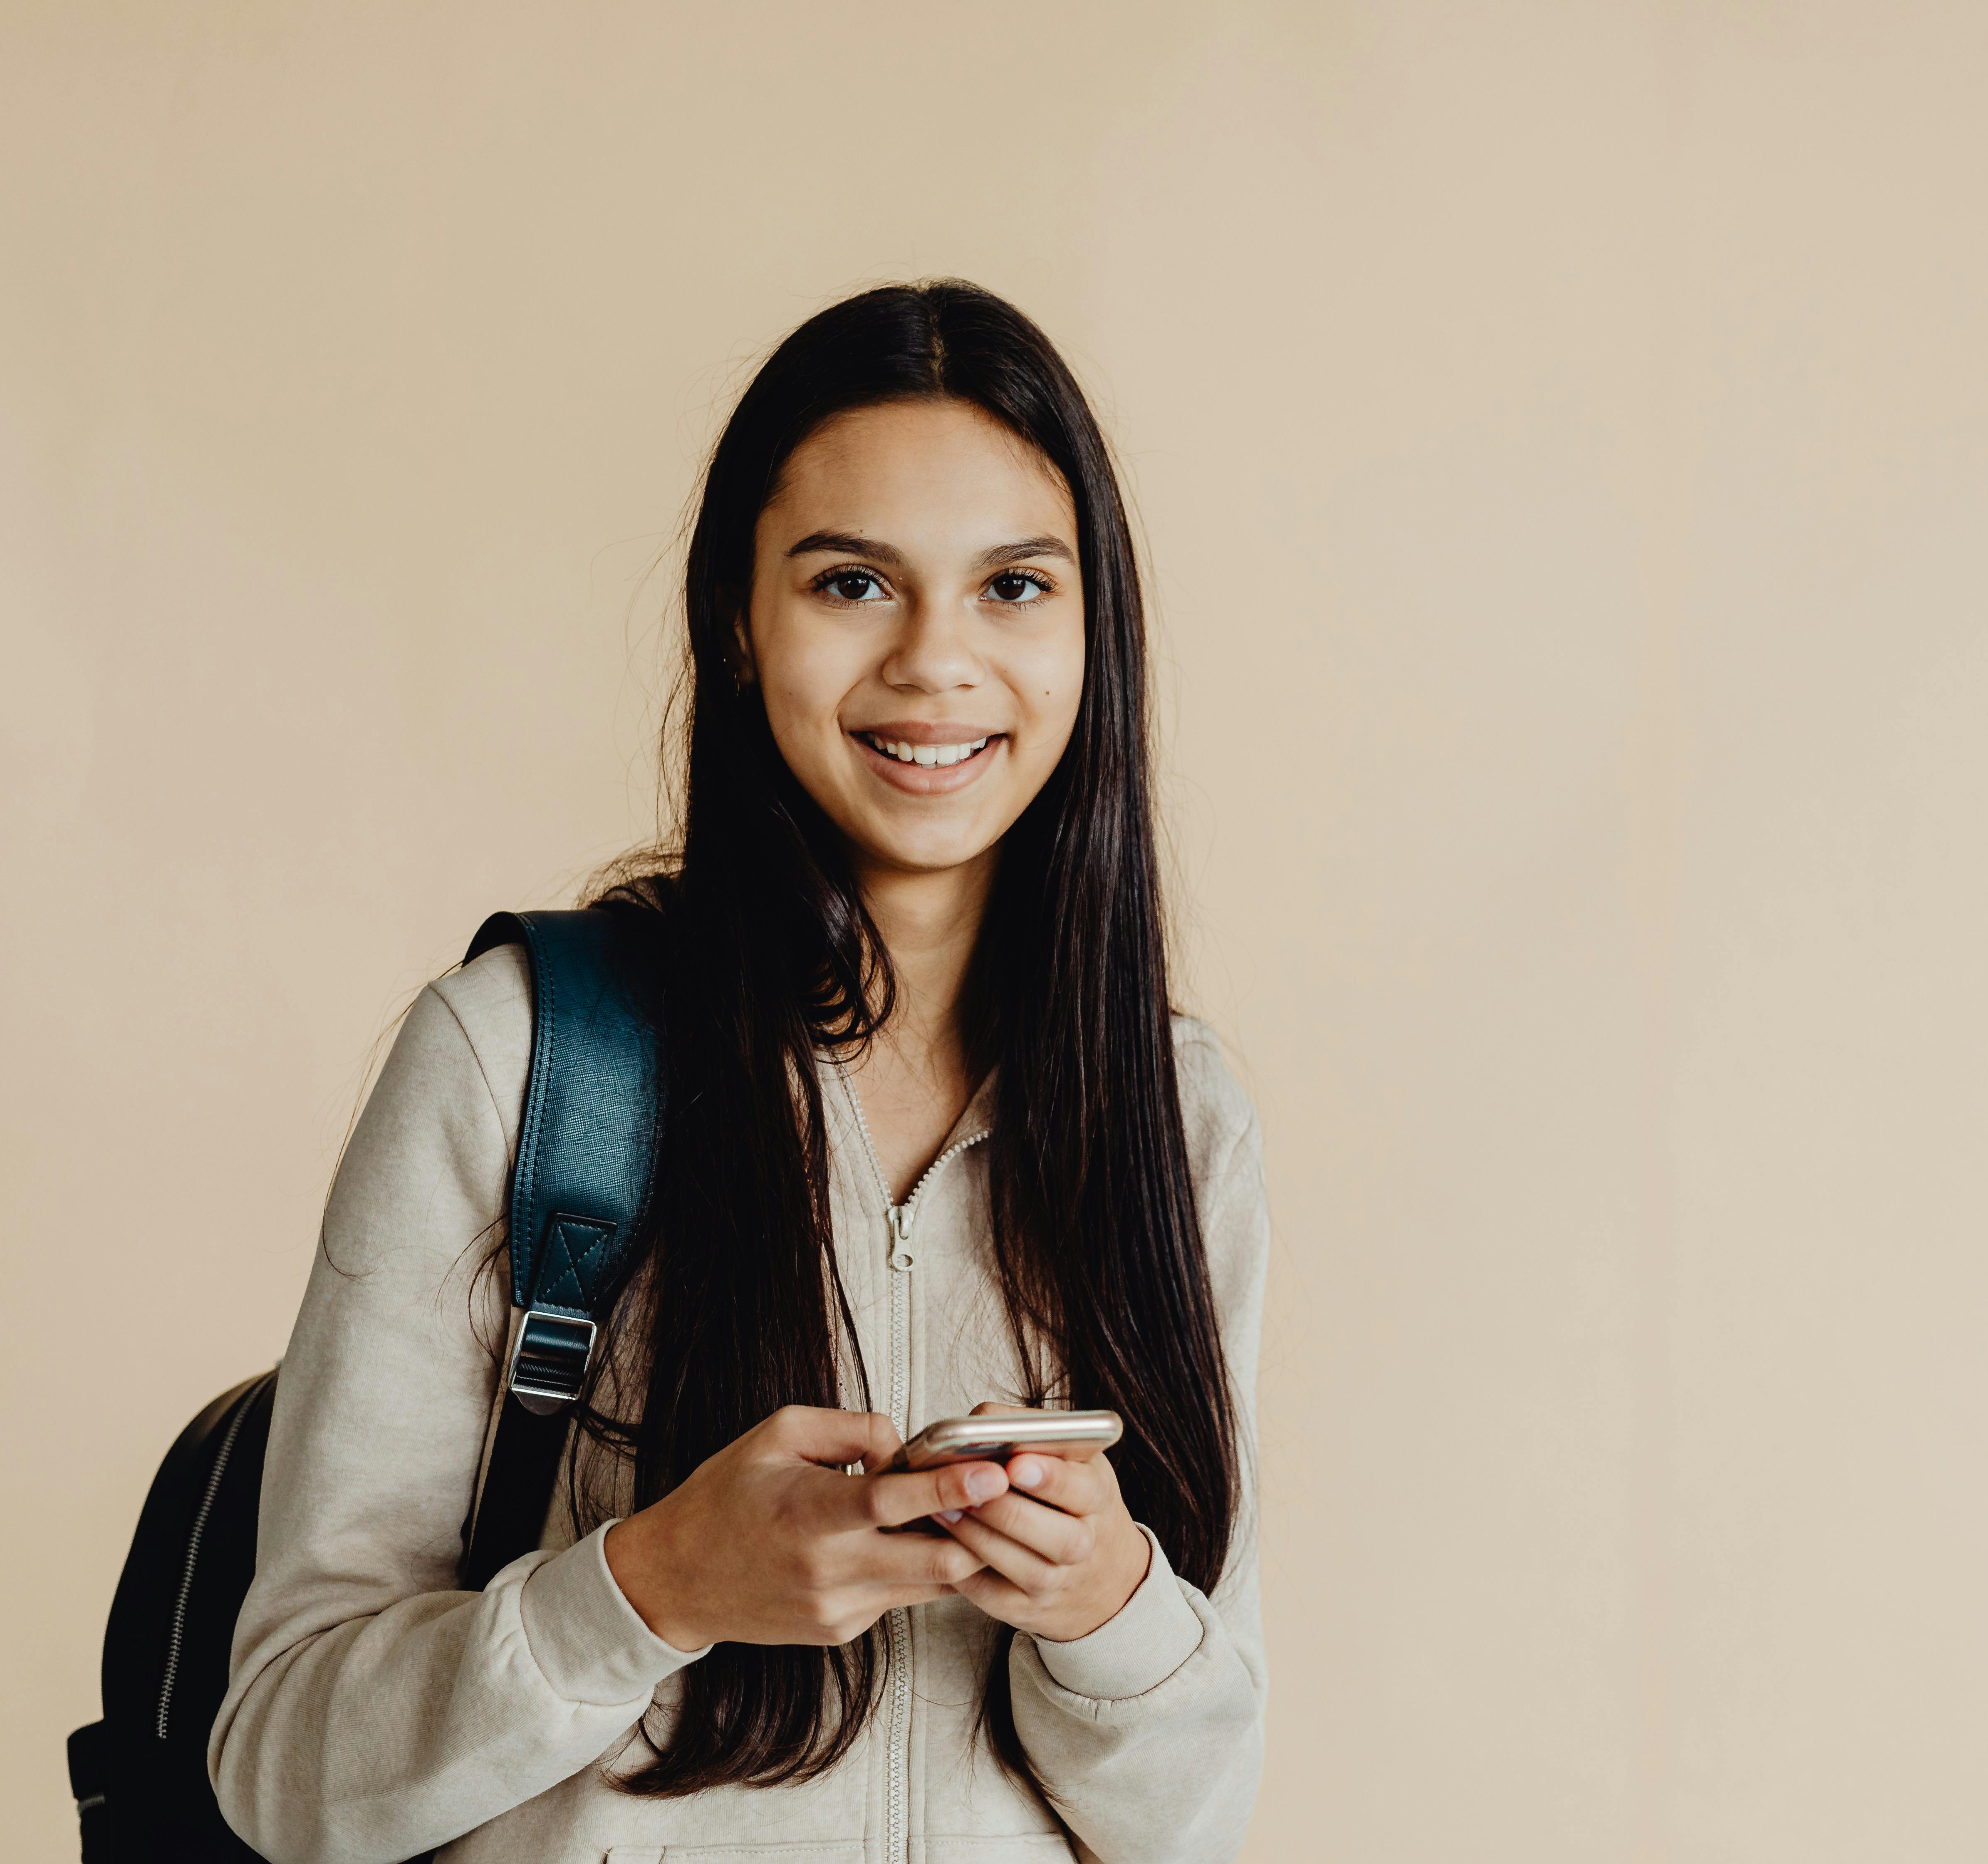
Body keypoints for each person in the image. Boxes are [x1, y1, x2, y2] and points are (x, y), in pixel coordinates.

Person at [208, 281, 1268, 1863]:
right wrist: (652, 1589)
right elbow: (286, 1768)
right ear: (736, 614)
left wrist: (1109, 1611)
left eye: (1014, 588)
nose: (939, 663)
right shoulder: (524, 1058)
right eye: (854, 582)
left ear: (1091, 632)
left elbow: (1193, 1826)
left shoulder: (1173, 1116)